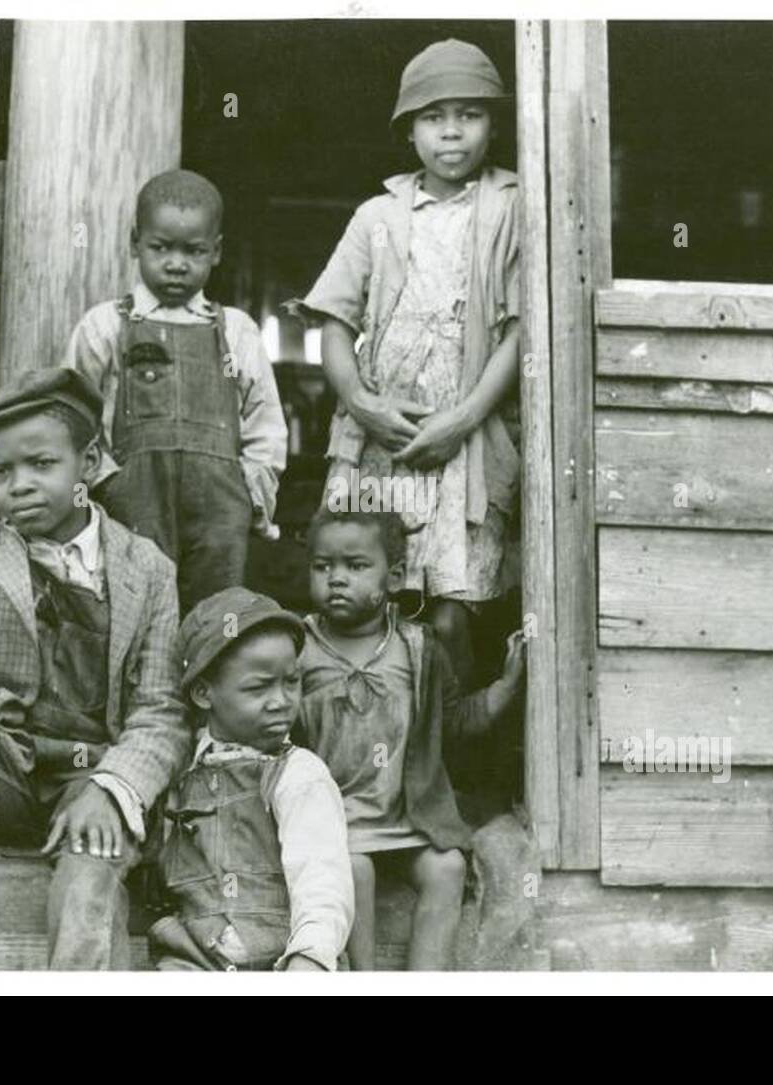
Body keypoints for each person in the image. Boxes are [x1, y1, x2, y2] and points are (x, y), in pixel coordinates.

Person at [0, 367, 191, 970]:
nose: (18, 486)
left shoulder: (147, 569)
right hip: (2, 767)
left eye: (41, 465)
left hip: (90, 775)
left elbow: (162, 710)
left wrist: (114, 789)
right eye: (2, 473)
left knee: (92, 868)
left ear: (88, 463)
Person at [289, 39, 522, 690]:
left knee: (451, 611)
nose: (452, 131)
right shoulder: (378, 217)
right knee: (363, 595)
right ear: (409, 131)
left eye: (469, 114)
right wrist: (365, 406)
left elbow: (521, 333)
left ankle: (441, 767)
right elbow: (334, 323)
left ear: (494, 124)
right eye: (433, 117)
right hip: (378, 442)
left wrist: (463, 420)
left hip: (465, 444)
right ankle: (359, 753)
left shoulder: (511, 208)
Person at [293, 508, 525, 969]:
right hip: (334, 824)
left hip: (407, 820)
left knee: (449, 867)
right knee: (352, 870)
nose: (336, 579)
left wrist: (505, 687)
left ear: (395, 575)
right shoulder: (299, 646)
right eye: (323, 567)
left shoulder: (417, 648)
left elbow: (455, 722)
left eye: (356, 567)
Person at [64, 168, 287, 615]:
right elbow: (72, 415)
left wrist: (249, 493)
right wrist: (106, 481)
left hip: (220, 508)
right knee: (134, 609)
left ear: (216, 251)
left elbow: (265, 422)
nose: (176, 264)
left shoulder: (237, 331)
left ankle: (205, 686)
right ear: (134, 244)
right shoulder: (106, 325)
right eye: (161, 248)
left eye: (194, 251)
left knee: (216, 614)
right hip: (133, 501)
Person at [150, 587, 353, 971]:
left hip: (284, 959)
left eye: (291, 682)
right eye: (258, 687)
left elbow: (322, 878)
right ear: (203, 693)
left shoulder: (298, 774)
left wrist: (309, 956)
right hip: (197, 957)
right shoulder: (182, 773)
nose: (280, 700)